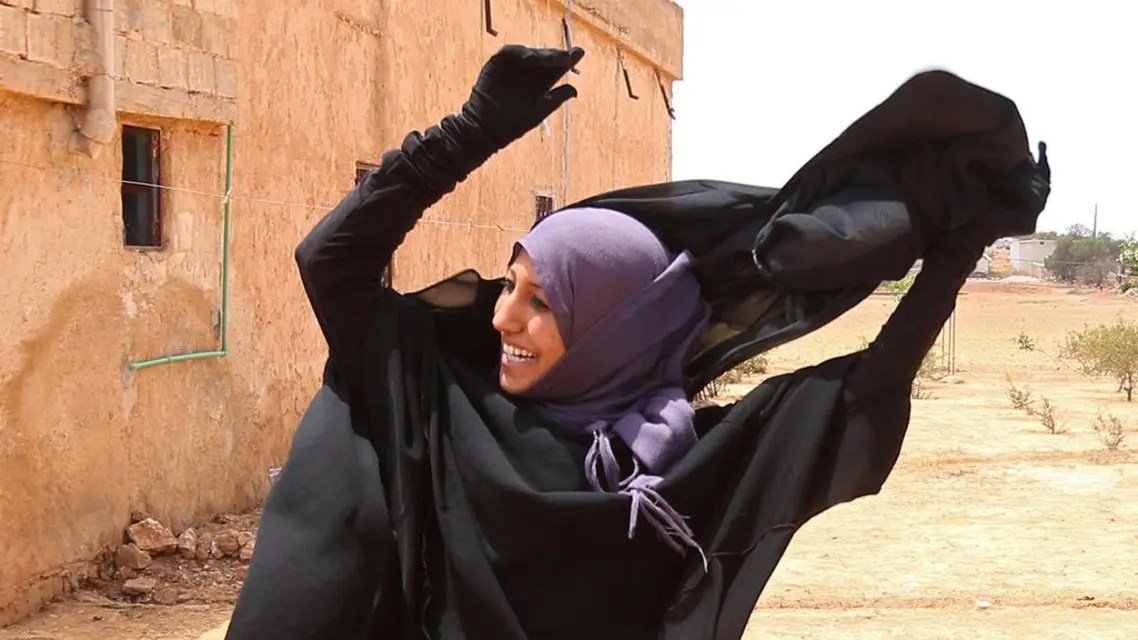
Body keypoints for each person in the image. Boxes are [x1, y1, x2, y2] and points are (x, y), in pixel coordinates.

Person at [226, 46, 1049, 639]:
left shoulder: (675, 472)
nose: (503, 318)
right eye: (508, 286)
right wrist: (469, 131)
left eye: (543, 302)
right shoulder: (437, 400)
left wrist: (960, 248)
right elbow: (329, 261)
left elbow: (867, 386)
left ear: (620, 327)